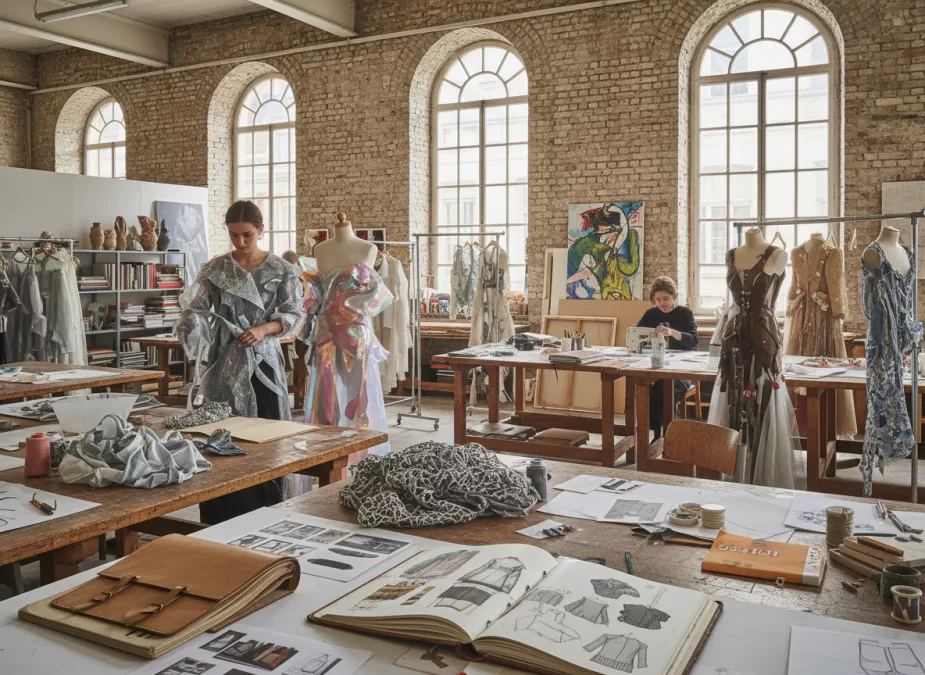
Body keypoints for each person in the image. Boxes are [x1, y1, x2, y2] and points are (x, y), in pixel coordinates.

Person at [175, 200, 305, 523]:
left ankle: (270, 517)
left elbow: (294, 315)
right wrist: (190, 322)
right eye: (234, 235)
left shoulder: (282, 270)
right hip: (223, 366)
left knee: (267, 444)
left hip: (263, 366)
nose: (241, 242)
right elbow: (197, 309)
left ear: (262, 229)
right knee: (222, 441)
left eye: (247, 234)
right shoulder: (215, 269)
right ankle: (222, 519)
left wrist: (263, 329)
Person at [635, 276, 699, 440]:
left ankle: (669, 434)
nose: (662, 303)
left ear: (674, 296)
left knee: (664, 387)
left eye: (666, 298)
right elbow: (636, 333)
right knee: (643, 386)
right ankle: (656, 433)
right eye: (657, 299)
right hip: (657, 363)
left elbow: (693, 340)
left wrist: (672, 333)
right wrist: (647, 335)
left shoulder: (685, 313)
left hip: (682, 366)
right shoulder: (651, 313)